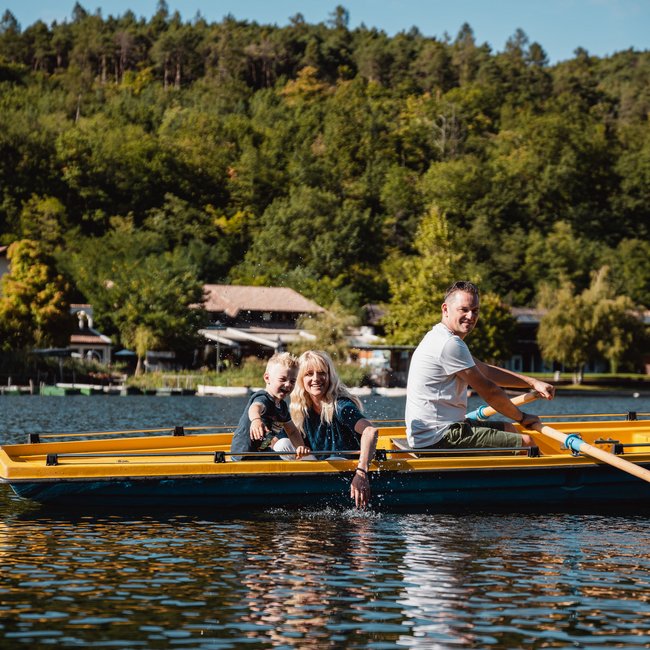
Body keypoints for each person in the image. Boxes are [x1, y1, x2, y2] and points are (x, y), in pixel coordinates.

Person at [405, 281, 555, 450]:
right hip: (438, 436)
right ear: (445, 309)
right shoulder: (449, 344)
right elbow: (489, 390)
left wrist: (533, 382)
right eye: (464, 309)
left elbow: (486, 371)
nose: (471, 316)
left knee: (509, 429)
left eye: (475, 310)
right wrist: (522, 417)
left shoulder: (439, 336)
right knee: (526, 445)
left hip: (437, 431)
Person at [282, 350, 378, 508]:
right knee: (281, 445)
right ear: (300, 379)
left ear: (329, 376)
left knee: (332, 460)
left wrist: (361, 472)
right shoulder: (299, 408)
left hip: (344, 468)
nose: (316, 379)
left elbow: (371, 431)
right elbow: (277, 440)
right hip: (316, 468)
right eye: (309, 374)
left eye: (321, 373)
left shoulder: (341, 406)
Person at [230, 352, 311, 461]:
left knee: (286, 461)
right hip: (244, 454)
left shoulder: (282, 406)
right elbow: (255, 408)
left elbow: (292, 431)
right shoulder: (263, 397)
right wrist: (256, 420)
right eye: (282, 379)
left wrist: (300, 447)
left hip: (262, 452)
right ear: (267, 378)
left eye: (292, 381)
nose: (288, 384)